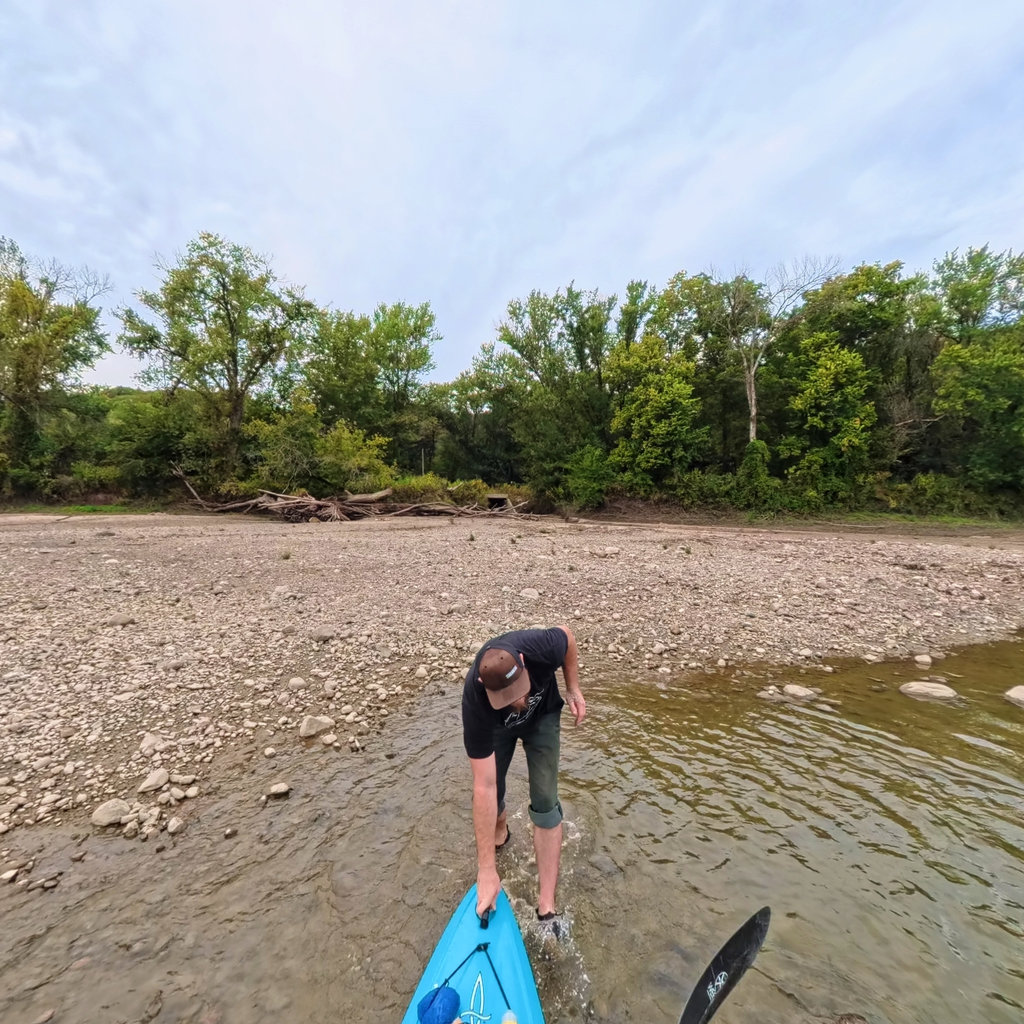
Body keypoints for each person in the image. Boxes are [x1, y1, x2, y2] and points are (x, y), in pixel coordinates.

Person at [461, 625, 586, 923]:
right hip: (498, 730)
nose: (518, 702)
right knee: (495, 797)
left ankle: (547, 906)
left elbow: (568, 637)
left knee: (544, 799)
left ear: (523, 661)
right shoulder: (475, 702)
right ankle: (501, 832)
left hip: (543, 717)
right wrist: (486, 871)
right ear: (483, 684)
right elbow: (483, 787)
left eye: (519, 690)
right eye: (507, 697)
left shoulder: (541, 647)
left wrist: (572, 687)